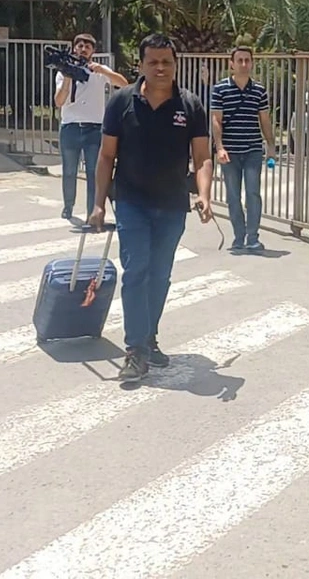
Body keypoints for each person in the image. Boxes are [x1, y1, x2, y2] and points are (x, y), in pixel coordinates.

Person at [88, 33, 214, 382]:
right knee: (136, 271)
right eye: (153, 62)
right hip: (131, 201)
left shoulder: (190, 106)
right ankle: (135, 350)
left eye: (166, 62)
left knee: (160, 275)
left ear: (175, 65)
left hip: (172, 204)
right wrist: (98, 204)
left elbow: (202, 157)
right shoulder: (121, 102)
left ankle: (148, 337)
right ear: (141, 64)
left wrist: (204, 194)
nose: (160, 68)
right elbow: (106, 156)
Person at [53, 33, 129, 221]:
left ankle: (91, 212)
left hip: (94, 129)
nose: (83, 49)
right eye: (79, 46)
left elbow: (124, 84)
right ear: (74, 49)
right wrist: (68, 77)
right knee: (69, 171)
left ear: (93, 51)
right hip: (70, 127)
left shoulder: (98, 71)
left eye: (87, 46)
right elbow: (59, 101)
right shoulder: (63, 73)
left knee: (93, 173)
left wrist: (103, 71)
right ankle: (68, 206)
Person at [210, 46, 275, 253]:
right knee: (232, 196)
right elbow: (216, 119)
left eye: (247, 60)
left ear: (252, 63)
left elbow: (264, 119)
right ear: (232, 64)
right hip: (230, 150)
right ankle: (239, 236)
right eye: (240, 60)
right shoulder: (220, 89)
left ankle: (253, 237)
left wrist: (271, 145)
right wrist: (220, 147)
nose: (244, 64)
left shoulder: (259, 90)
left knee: (253, 193)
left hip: (252, 149)